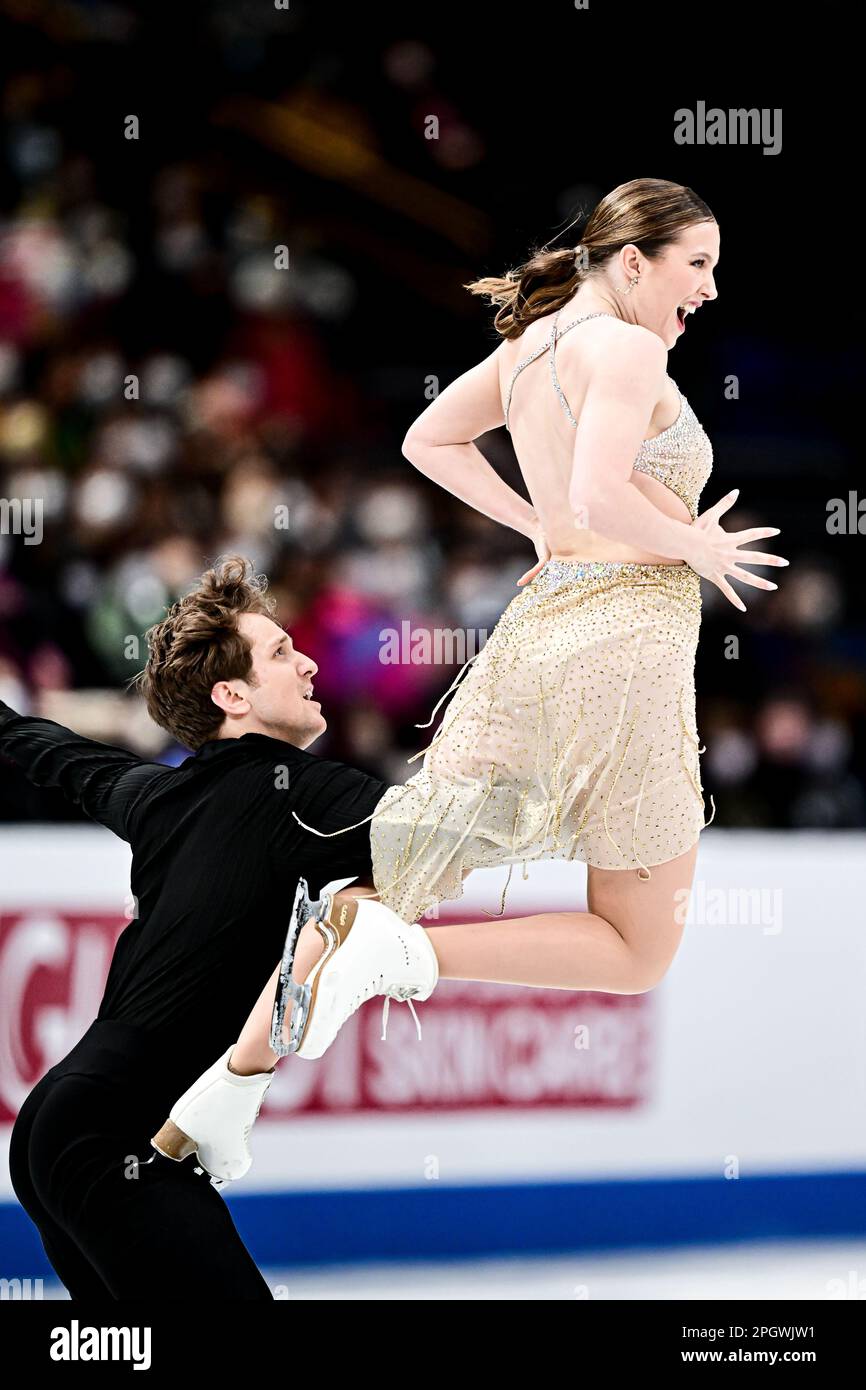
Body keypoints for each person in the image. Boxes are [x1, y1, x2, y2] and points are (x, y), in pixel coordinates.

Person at [153, 178, 788, 1177]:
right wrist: (689, 543)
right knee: (635, 947)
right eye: (695, 264)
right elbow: (593, 488)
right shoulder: (623, 346)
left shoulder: (528, 349)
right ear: (632, 261)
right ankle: (406, 960)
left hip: (531, 642)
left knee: (391, 876)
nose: (707, 289)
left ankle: (225, 1091)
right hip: (622, 648)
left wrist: (538, 530)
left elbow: (426, 440)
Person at [2, 555, 404, 1299]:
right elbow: (450, 828)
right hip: (112, 1139)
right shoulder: (303, 795)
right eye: (282, 653)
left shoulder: (156, 795)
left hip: (53, 1132)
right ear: (232, 695)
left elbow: (47, 750)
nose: (310, 662)